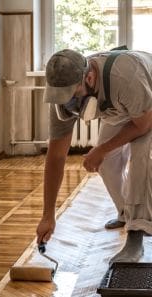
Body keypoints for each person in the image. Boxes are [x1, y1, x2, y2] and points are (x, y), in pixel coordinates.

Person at [37, 48, 152, 262]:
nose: (68, 103)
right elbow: (56, 157)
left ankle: (136, 236)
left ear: (89, 77)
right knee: (106, 163)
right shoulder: (61, 94)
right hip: (120, 105)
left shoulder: (126, 76)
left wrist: (101, 149)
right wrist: (48, 215)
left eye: (73, 95)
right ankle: (126, 214)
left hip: (146, 106)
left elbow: (143, 125)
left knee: (141, 159)